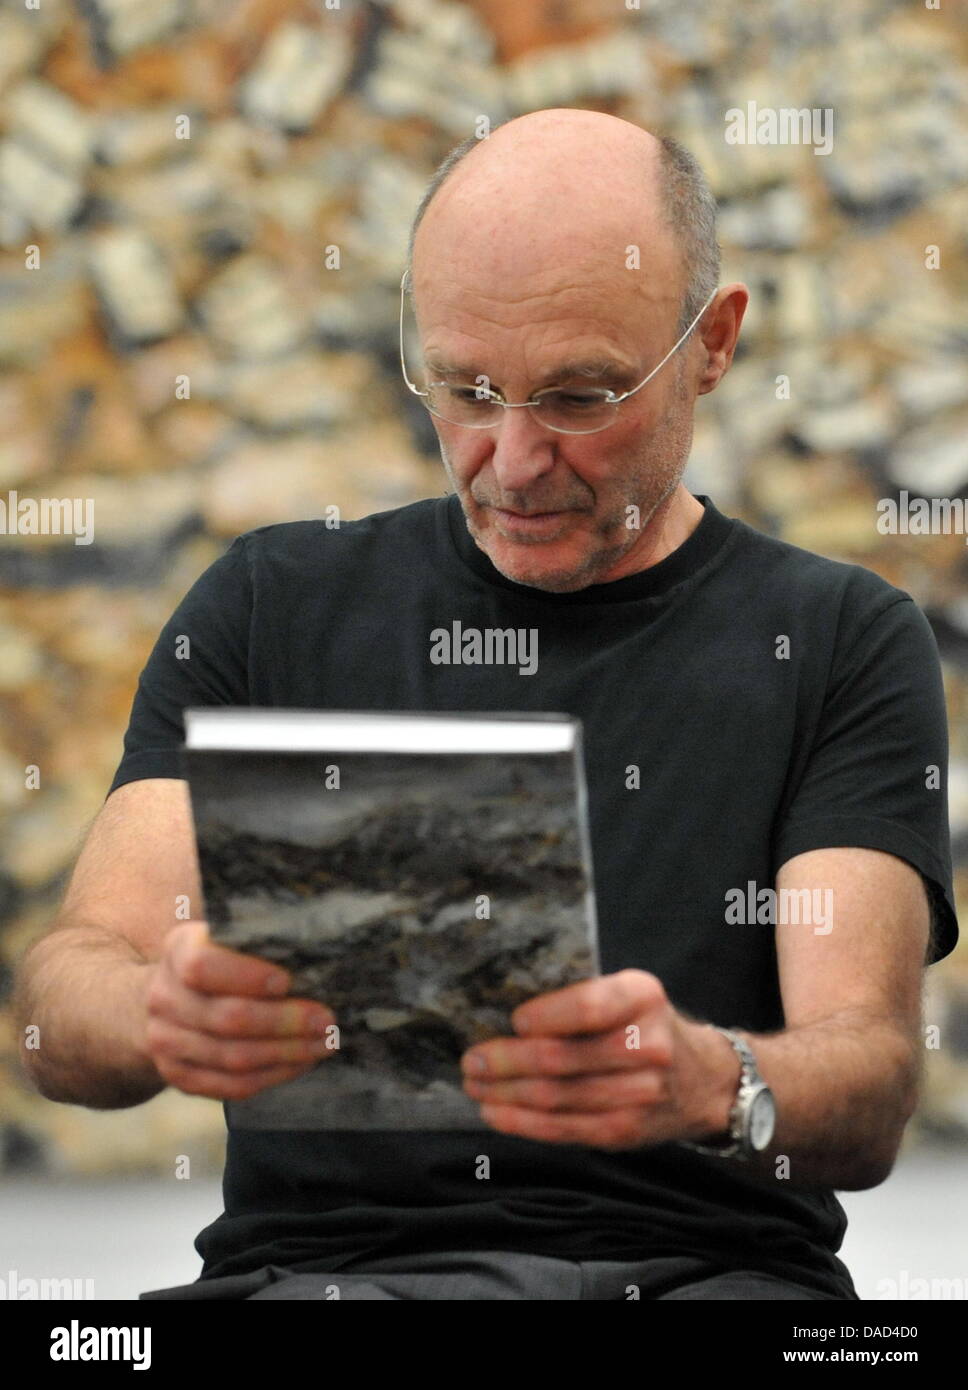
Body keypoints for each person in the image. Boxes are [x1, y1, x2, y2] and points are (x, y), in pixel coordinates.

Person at [14, 109, 959, 1302]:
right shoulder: (270, 604)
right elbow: (62, 994)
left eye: (578, 397)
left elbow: (867, 1084)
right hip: (323, 1280)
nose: (510, 462)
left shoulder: (837, 638)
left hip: (707, 1278)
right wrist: (154, 1014)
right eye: (464, 388)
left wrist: (709, 1081)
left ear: (712, 343)